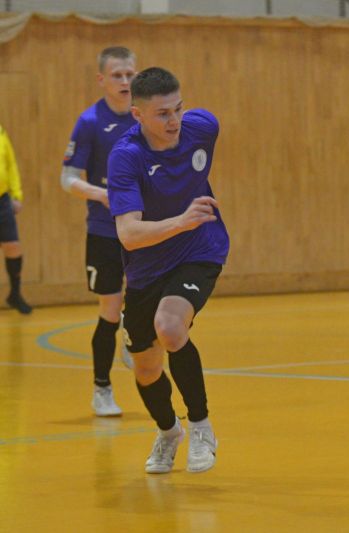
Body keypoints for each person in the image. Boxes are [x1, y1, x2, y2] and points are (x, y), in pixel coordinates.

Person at [107, 66, 228, 474]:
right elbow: (128, 234)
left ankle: (201, 426)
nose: (174, 120)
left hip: (199, 250)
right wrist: (181, 220)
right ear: (138, 115)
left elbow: (195, 128)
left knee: (171, 327)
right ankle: (168, 431)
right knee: (146, 368)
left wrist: (191, 225)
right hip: (146, 266)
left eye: (178, 109)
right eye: (162, 114)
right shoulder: (127, 157)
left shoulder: (202, 127)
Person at [62, 46, 138, 417]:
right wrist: (102, 195)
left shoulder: (144, 117)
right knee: (109, 307)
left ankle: (133, 332)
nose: (125, 81)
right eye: (117, 75)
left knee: (148, 300)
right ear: (102, 80)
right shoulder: (90, 121)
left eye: (130, 74)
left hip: (142, 228)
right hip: (105, 230)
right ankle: (102, 389)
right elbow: (67, 178)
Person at [0, 124, 32, 315]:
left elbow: (10, 164)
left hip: (3, 199)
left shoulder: (1, 132)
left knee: (13, 246)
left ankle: (15, 293)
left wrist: (16, 194)